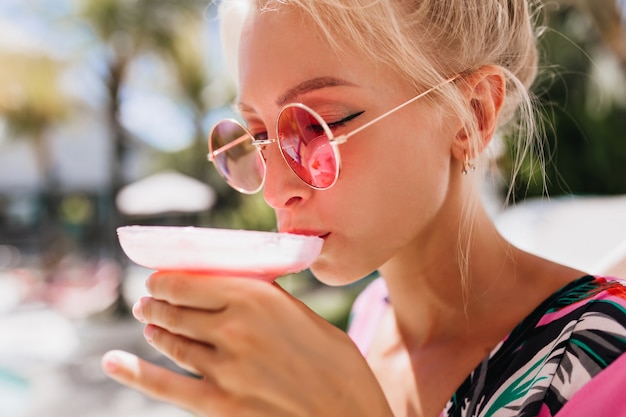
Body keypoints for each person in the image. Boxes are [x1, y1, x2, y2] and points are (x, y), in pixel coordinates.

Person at [101, 0, 626, 416]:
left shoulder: (605, 363)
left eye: (316, 126)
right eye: (258, 135)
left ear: (471, 114)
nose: (275, 190)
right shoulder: (372, 316)